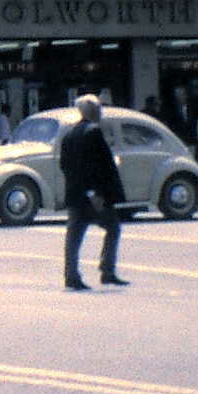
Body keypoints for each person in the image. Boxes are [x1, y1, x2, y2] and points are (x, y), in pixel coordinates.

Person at [57, 95, 129, 291]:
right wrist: (97, 192)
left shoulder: (69, 134)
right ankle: (107, 270)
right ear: (92, 111)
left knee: (74, 236)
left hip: (75, 193)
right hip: (94, 194)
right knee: (113, 227)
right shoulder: (94, 132)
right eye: (98, 109)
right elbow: (99, 166)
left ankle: (71, 275)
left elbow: (64, 164)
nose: (101, 112)